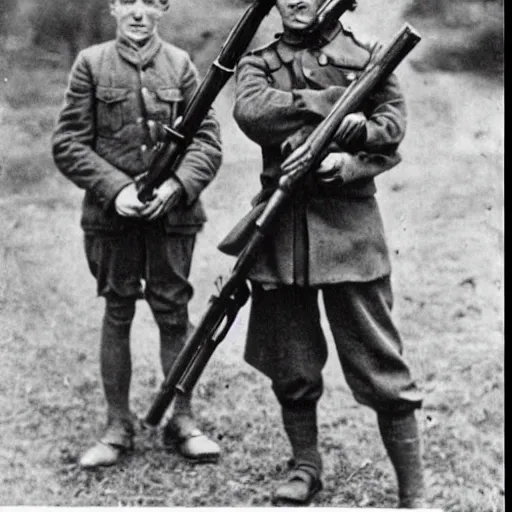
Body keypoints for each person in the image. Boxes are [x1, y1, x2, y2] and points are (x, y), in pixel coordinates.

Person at [232, 0, 425, 507]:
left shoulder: (370, 57)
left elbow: (390, 130)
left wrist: (345, 159)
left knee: (380, 364)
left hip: (351, 232)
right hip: (281, 229)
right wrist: (335, 102)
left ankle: (414, 491)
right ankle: (305, 467)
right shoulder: (258, 62)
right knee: (291, 364)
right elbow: (252, 112)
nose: (297, 0)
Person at [52, 0, 222, 469]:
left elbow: (207, 139)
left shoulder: (182, 65)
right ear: (113, 7)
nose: (138, 13)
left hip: (173, 217)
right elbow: (68, 142)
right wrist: (115, 188)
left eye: (150, 1)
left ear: (163, 8)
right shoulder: (91, 63)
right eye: (128, 0)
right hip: (113, 218)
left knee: (174, 312)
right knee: (118, 309)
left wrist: (178, 184)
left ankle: (183, 420)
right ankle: (116, 425)